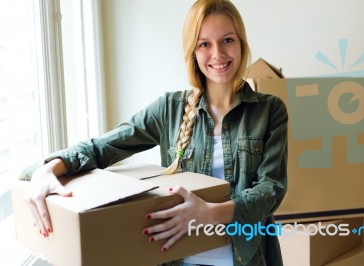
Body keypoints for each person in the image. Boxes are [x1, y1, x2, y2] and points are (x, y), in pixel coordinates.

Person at [22, 0, 288, 265]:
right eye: (204, 44)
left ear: (241, 43)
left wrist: (208, 213)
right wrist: (47, 170)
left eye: (227, 40)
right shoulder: (170, 109)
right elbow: (101, 147)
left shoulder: (270, 110)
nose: (218, 53)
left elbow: (271, 188)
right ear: (192, 52)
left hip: (249, 258)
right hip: (181, 258)